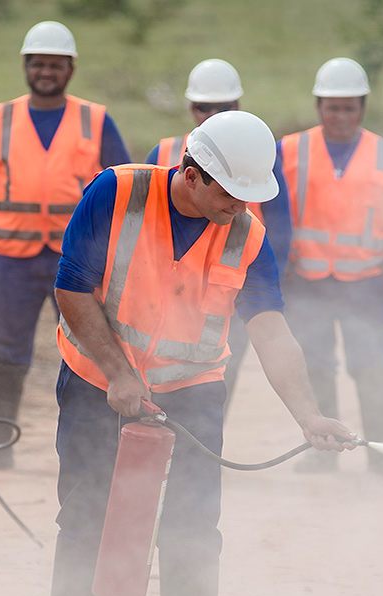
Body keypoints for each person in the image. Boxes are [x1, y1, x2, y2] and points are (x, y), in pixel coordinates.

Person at [7, 112, 355, 596]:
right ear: (192, 176)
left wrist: (309, 416)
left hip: (191, 391)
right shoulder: (116, 193)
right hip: (96, 382)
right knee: (85, 520)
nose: (241, 208)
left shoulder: (245, 233)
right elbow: (71, 287)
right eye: (231, 194)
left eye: (251, 196)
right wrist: (118, 372)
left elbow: (270, 328)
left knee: (192, 533)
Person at [0, 21, 131, 468]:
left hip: (78, 263)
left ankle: (95, 446)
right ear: (26, 66)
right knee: (6, 350)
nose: (46, 71)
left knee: (92, 349)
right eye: (38, 63)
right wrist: (13, 219)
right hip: (13, 261)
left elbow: (121, 187)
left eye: (55, 64)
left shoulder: (95, 120)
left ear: (71, 68)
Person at [279, 58, 383, 476]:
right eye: (332, 106)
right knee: (316, 367)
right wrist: (277, 258)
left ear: (363, 107)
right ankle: (323, 454)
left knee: (373, 368)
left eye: (349, 107)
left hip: (364, 283)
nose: (340, 115)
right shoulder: (289, 150)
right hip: (307, 280)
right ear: (317, 105)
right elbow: (264, 207)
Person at [145, 58, 293, 418]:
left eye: (222, 108)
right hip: (167, 290)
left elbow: (281, 222)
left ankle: (201, 447)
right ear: (190, 108)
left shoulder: (258, 152)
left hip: (230, 287)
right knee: (152, 371)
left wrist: (268, 284)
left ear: (237, 108)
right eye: (203, 106)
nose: (211, 114)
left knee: (214, 378)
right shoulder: (164, 153)